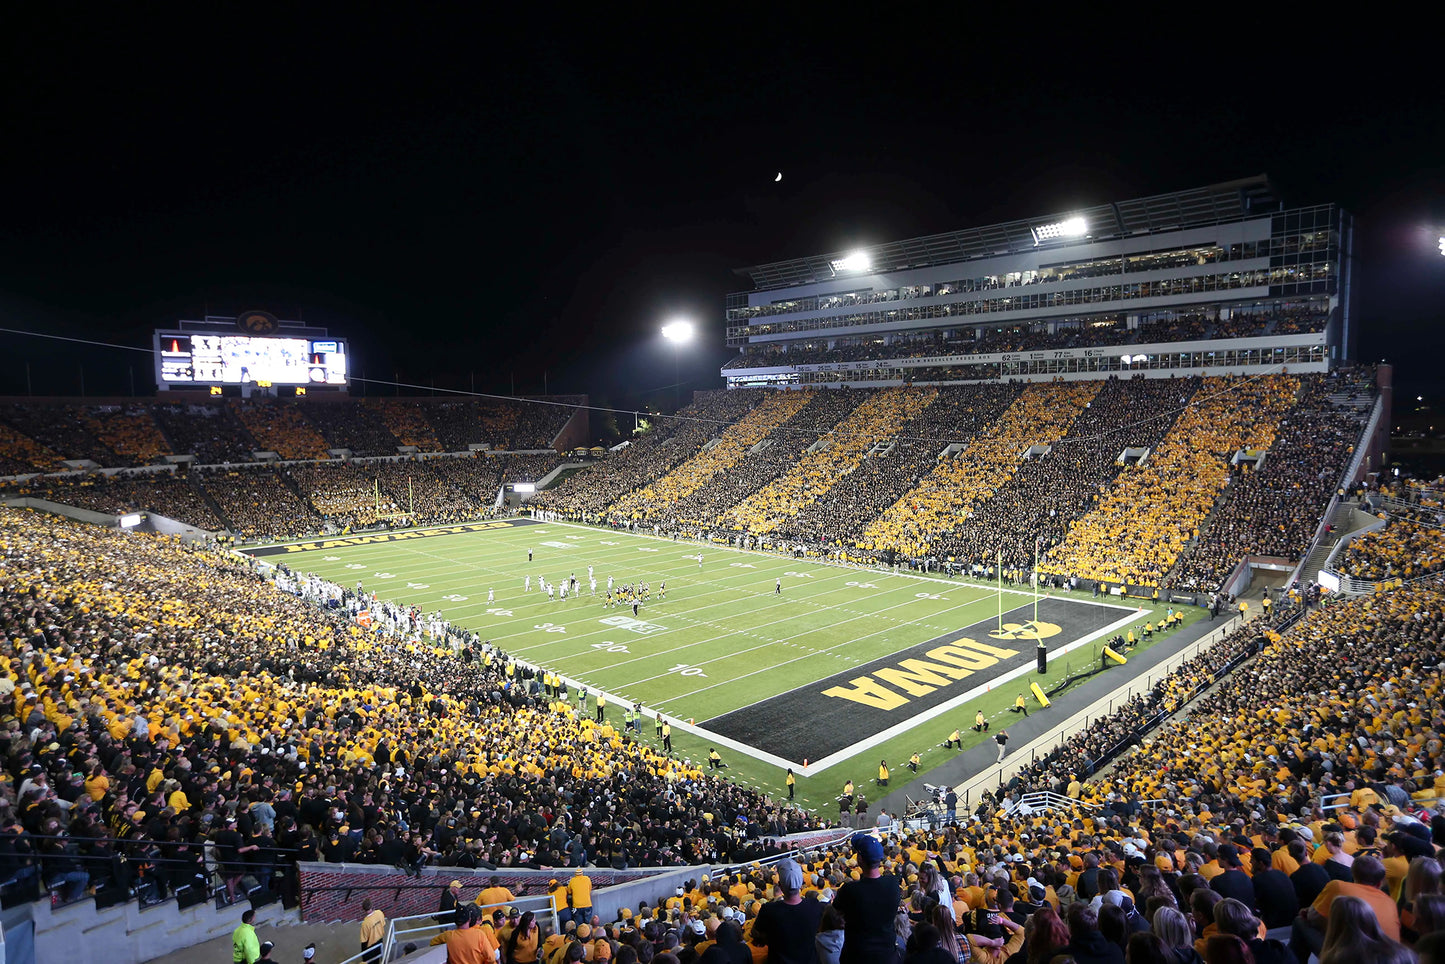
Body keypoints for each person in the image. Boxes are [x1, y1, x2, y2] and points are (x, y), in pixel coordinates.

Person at [835, 832, 900, 963]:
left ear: (860, 859)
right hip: (887, 956)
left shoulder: (850, 890)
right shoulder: (893, 883)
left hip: (858, 957)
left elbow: (836, 913)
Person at [752, 858, 822, 964]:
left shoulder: (768, 910)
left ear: (780, 886)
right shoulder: (814, 906)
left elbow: (757, 935)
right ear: (801, 883)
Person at [360, 897, 387, 963]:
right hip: (380, 940)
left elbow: (364, 940)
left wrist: (364, 955)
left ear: (364, 909)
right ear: (372, 906)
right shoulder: (379, 913)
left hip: (371, 945)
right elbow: (383, 924)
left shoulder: (365, 923)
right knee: (378, 958)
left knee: (371, 961)